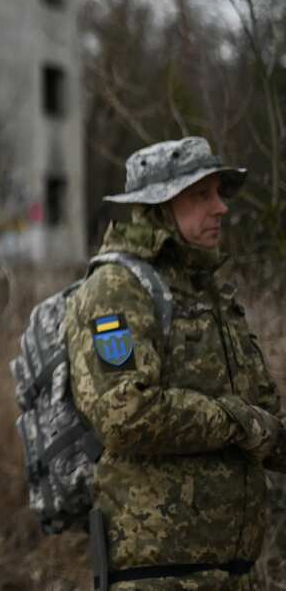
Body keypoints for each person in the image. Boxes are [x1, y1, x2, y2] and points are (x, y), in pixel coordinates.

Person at [67, 136, 286, 589]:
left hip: (235, 574)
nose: (221, 207)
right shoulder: (118, 288)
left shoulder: (211, 293)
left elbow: (265, 417)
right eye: (201, 195)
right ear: (159, 206)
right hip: (158, 575)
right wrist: (238, 421)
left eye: (219, 193)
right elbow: (125, 414)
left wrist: (262, 429)